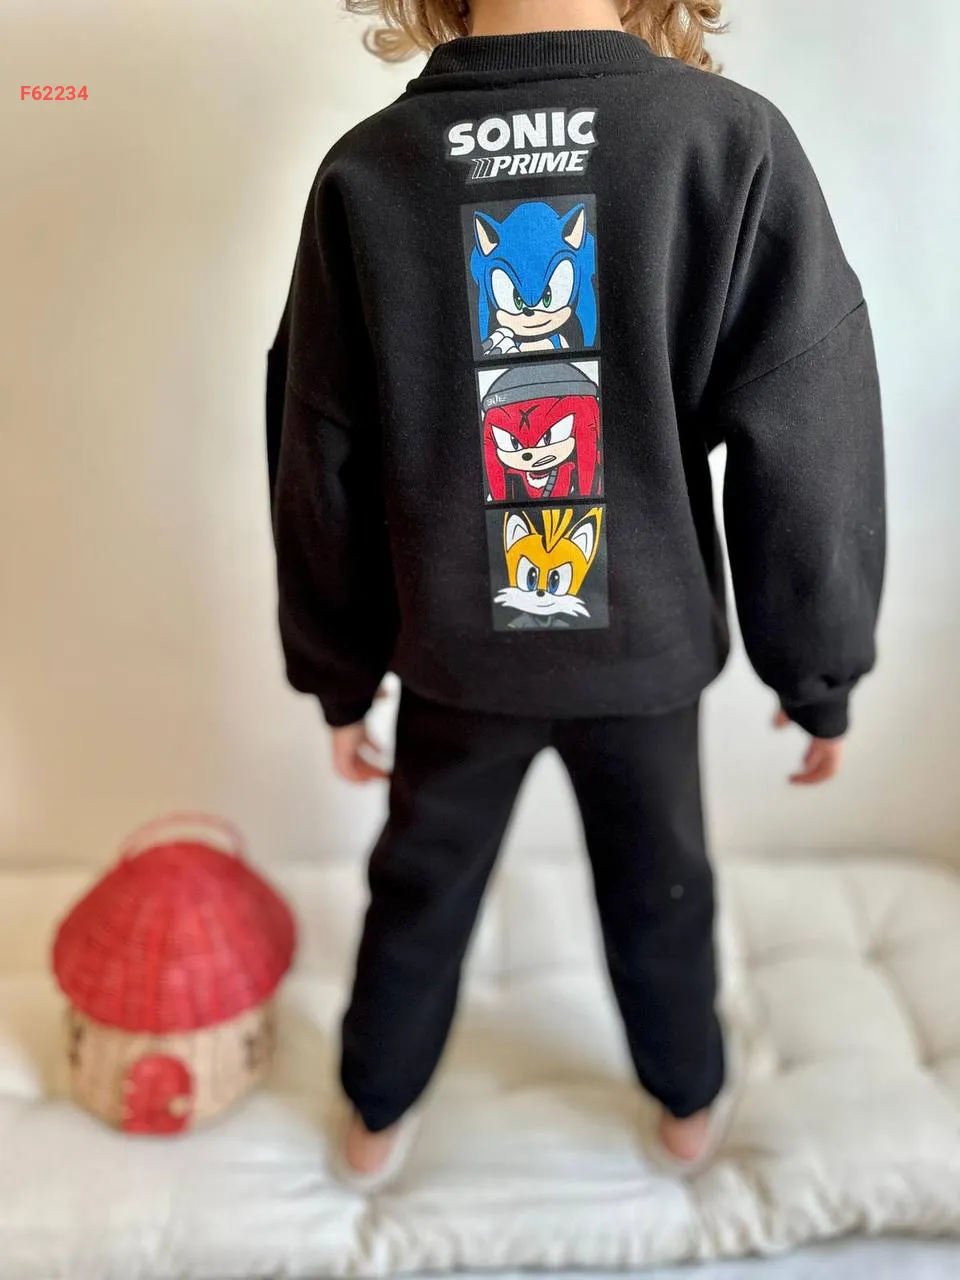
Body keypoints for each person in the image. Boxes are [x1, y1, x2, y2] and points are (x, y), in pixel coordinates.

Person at [266, 0, 886, 1183]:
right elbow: (812, 436)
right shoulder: (721, 141)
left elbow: (319, 449)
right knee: (663, 886)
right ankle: (688, 1099)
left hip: (454, 654)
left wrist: (336, 672)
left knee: (421, 884)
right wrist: (818, 668)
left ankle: (375, 1110)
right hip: (641, 652)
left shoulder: (372, 170)